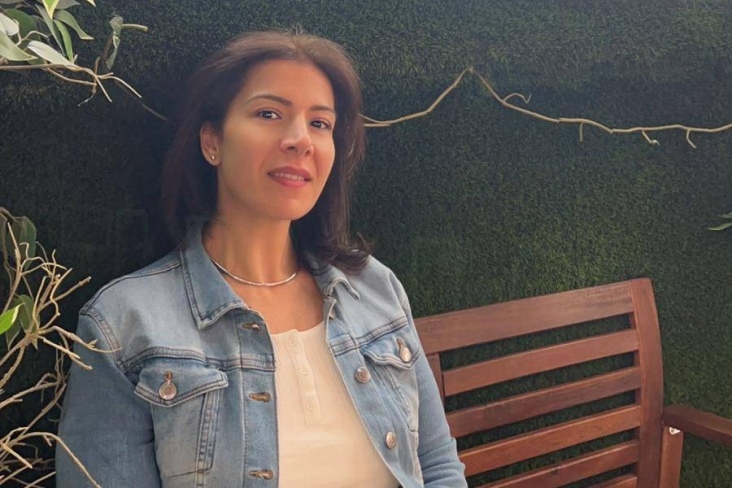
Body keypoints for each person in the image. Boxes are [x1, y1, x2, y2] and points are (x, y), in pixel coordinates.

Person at [55, 30, 467, 488]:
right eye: (269, 113)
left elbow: (438, 466)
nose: (300, 140)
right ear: (212, 140)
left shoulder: (374, 288)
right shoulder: (124, 323)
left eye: (320, 123)